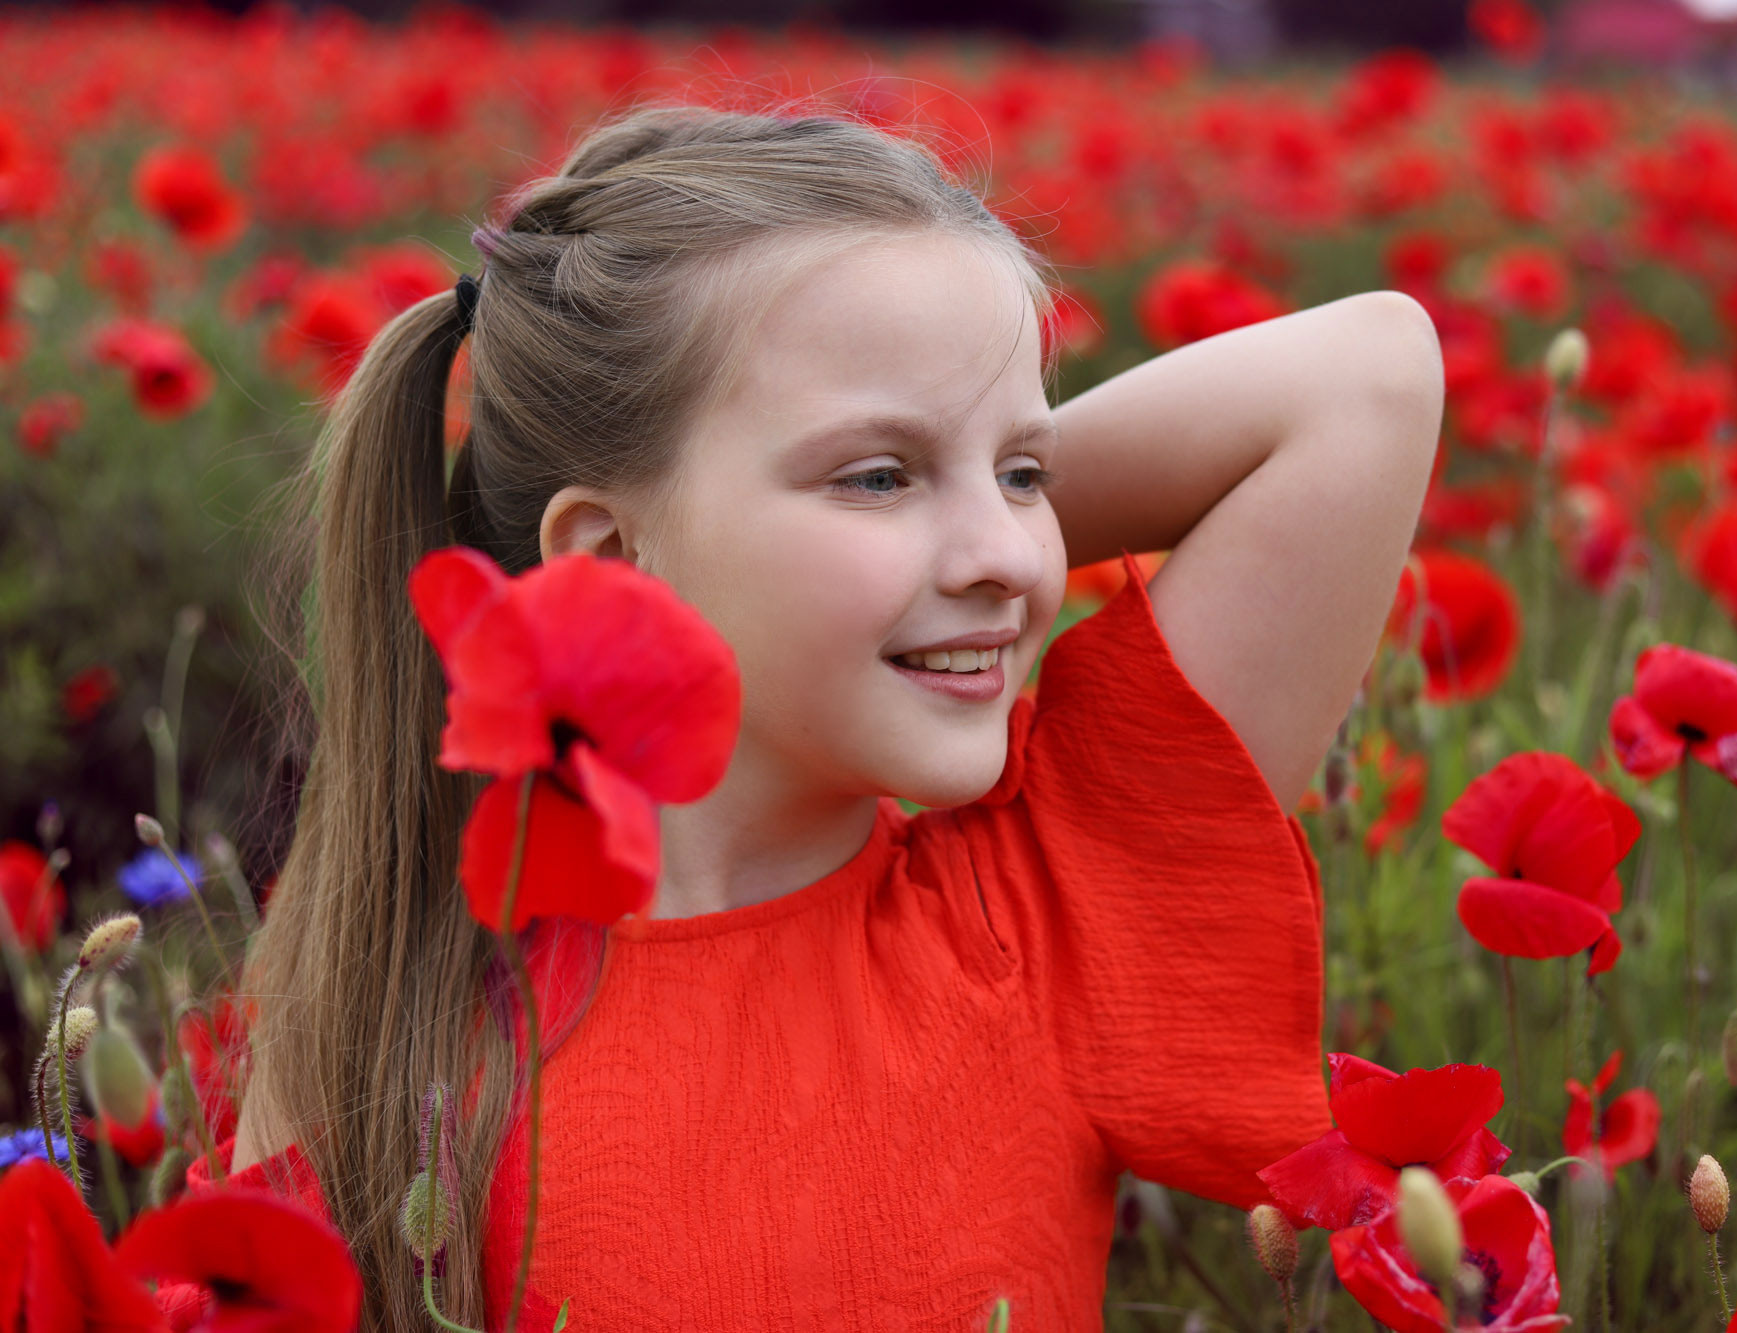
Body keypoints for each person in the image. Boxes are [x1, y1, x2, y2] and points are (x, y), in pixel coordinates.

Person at [209, 99, 1443, 1330]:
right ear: (611, 555)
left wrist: (944, 503)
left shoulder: (1037, 917)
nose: (1008, 555)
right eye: (876, 475)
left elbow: (1371, 376)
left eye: (1026, 473)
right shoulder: (395, 1009)